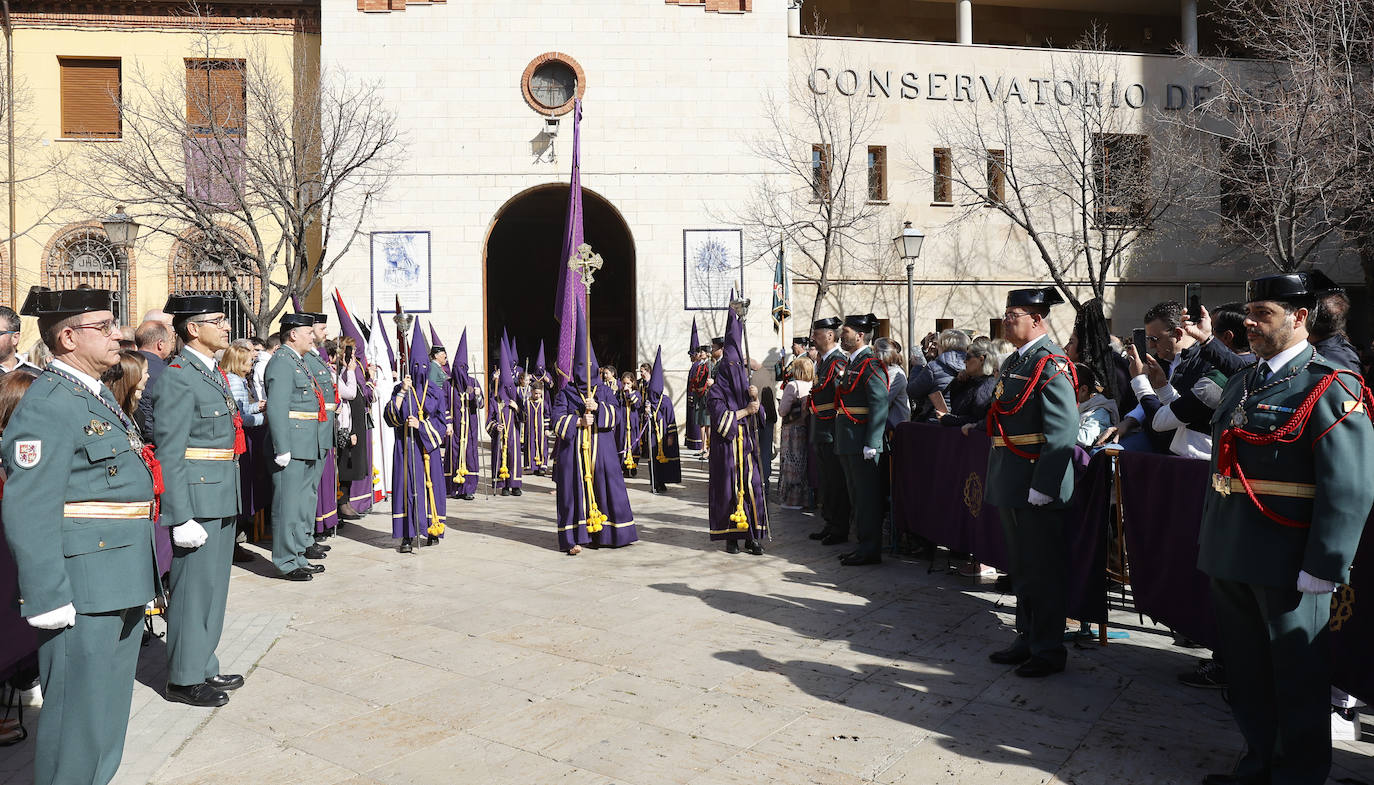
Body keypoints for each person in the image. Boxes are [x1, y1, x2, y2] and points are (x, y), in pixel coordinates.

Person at [1197, 272, 1374, 785]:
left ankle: (1297, 774)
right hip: (1232, 548)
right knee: (1248, 673)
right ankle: (1257, 765)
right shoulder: (1243, 380)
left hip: (1288, 556)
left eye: (1263, 314)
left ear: (1300, 318)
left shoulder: (1330, 385)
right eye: (1249, 313)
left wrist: (1325, 563)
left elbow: (1351, 485)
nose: (1250, 323)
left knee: (1296, 677)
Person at [1, 286, 159, 785]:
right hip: (82, 587)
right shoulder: (48, 402)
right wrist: (46, 595)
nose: (119, 334)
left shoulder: (90, 395)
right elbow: (29, 506)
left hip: (119, 576)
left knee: (105, 715)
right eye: (105, 326)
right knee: (75, 721)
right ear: (68, 337)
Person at [145, 295, 245, 709]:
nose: (226, 327)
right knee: (191, 591)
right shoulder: (178, 376)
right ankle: (184, 677)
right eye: (218, 321)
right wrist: (180, 515)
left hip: (221, 491)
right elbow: (172, 451)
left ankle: (204, 661)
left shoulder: (210, 372)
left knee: (214, 588)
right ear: (193, 329)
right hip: (198, 500)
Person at [985, 287, 1078, 678]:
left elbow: (1062, 430)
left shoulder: (1050, 363)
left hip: (1036, 482)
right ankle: (1027, 635)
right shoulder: (1016, 362)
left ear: (1037, 319)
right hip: (1013, 477)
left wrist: (1045, 483)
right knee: (1022, 567)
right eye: (1006, 315)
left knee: (1043, 569)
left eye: (1014, 315)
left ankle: (1048, 648)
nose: (1007, 321)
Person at [551, 306, 637, 554]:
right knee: (572, 493)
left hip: (603, 451)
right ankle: (574, 539)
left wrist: (598, 407)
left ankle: (608, 534)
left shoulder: (606, 391)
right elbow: (556, 419)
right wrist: (578, 422)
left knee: (608, 487)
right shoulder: (566, 392)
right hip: (575, 453)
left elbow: (617, 415)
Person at [264, 312, 330, 581]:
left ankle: (298, 555)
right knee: (287, 506)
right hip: (292, 443)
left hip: (306, 442)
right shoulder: (282, 362)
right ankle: (285, 560)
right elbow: (278, 408)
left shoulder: (296, 361)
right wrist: (282, 447)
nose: (312, 336)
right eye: (307, 333)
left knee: (301, 502)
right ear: (293, 335)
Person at [706, 307, 767, 555]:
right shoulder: (716, 391)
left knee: (752, 486)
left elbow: (760, 418)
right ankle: (731, 536)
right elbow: (720, 419)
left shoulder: (746, 387)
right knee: (729, 488)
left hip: (747, 446)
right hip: (726, 449)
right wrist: (745, 412)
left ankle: (753, 536)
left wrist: (756, 400)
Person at [833, 314, 889, 567]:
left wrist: (873, 442)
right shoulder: (854, 363)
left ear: (860, 335)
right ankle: (862, 545)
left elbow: (879, 404)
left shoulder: (871, 364)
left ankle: (870, 549)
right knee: (857, 497)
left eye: (845, 332)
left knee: (867, 498)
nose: (841, 336)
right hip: (849, 439)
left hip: (862, 441)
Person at [385, 327, 446, 554]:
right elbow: (389, 417)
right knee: (407, 489)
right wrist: (401, 392)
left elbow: (440, 425)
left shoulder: (436, 392)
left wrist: (420, 426)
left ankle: (433, 528)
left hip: (426, 451)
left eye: (423, 366)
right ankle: (407, 535)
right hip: (405, 449)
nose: (419, 371)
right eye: (415, 366)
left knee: (429, 488)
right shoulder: (400, 388)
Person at [221, 341, 265, 563]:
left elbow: (244, 408)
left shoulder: (235, 379)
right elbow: (241, 417)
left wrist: (257, 406)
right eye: (249, 361)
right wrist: (264, 418)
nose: (252, 364)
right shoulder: (236, 381)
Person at [807, 317, 850, 545]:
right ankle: (830, 522)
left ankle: (839, 527)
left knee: (836, 482)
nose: (814, 337)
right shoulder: (824, 362)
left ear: (831, 335)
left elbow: (840, 397)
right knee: (826, 481)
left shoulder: (838, 362)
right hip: (821, 429)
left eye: (818, 333)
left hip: (832, 429)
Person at [446, 328, 482, 501]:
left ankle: (469, 488)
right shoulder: (448, 385)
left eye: (463, 368)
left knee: (469, 454)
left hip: (470, 427)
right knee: (453, 454)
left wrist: (478, 394)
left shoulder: (472, 383)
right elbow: (443, 405)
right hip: (454, 428)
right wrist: (448, 423)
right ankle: (454, 487)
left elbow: (480, 405)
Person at [640, 347, 681, 493]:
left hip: (663, 435)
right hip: (652, 435)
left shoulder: (666, 401)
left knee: (663, 459)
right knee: (653, 459)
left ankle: (662, 481)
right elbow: (646, 418)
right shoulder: (648, 401)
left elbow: (671, 420)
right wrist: (646, 412)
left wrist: (670, 436)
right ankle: (654, 481)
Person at [335, 337, 367, 521]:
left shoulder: (353, 370)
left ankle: (346, 501)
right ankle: (341, 502)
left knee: (351, 464)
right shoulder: (343, 372)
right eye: (350, 352)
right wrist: (352, 430)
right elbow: (349, 394)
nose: (353, 356)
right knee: (344, 464)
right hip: (347, 425)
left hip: (355, 421)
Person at [907, 328, 968, 421]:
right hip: (962, 421)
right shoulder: (972, 365)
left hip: (936, 422)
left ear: (943, 345)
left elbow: (913, 391)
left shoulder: (934, 367)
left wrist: (917, 367)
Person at [777, 355, 814, 509]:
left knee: (791, 463)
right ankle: (805, 498)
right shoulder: (812, 384)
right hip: (806, 427)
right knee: (803, 463)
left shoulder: (793, 386)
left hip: (791, 429)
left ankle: (792, 500)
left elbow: (783, 411)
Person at [487, 343, 524, 497]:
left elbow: (524, 417)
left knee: (514, 457)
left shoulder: (517, 398)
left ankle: (515, 484)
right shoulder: (495, 400)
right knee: (499, 456)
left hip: (513, 434)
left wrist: (517, 408)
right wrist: (496, 426)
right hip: (501, 435)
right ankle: (502, 484)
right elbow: (489, 420)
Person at [939, 338, 1000, 427]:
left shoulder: (987, 386)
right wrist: (959, 382)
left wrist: (946, 419)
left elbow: (977, 419)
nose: (964, 361)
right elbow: (957, 406)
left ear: (981, 359)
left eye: (968, 357)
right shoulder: (972, 380)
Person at [134, 319, 175, 443]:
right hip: (155, 443)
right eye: (171, 340)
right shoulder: (167, 374)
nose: (172, 345)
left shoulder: (124, 364)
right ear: (160, 344)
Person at [1073, 363, 1118, 449]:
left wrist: (1058, 426)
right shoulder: (1078, 404)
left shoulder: (1100, 412)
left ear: (1083, 390)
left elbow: (1086, 439)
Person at [617, 371, 641, 477]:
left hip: (633, 423)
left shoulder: (636, 393)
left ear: (633, 383)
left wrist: (628, 393)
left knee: (633, 443)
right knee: (622, 442)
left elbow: (636, 404)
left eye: (628, 383)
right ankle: (624, 468)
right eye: (624, 383)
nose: (626, 386)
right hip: (622, 422)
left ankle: (634, 465)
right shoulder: (619, 394)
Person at [684, 345, 709, 453]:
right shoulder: (700, 365)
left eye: (701, 352)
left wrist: (701, 391)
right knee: (701, 422)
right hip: (699, 395)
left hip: (705, 395)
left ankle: (708, 448)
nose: (699, 354)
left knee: (707, 423)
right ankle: (703, 447)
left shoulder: (709, 364)